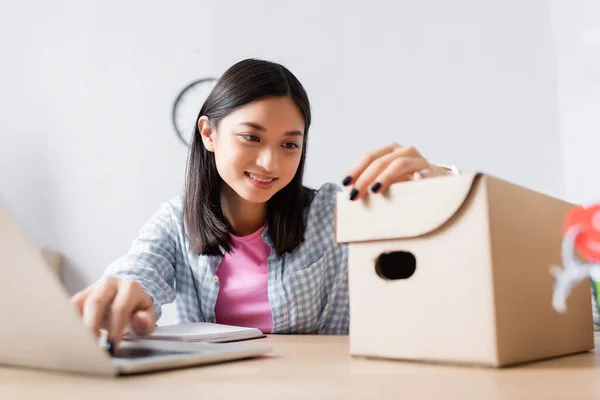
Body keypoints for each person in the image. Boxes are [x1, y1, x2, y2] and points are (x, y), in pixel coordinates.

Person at [71, 58, 459, 349]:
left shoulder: (332, 212)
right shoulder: (175, 222)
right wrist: (123, 293)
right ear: (209, 133)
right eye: (251, 138)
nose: (270, 163)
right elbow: (138, 272)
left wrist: (442, 185)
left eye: (289, 144)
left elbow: (439, 240)